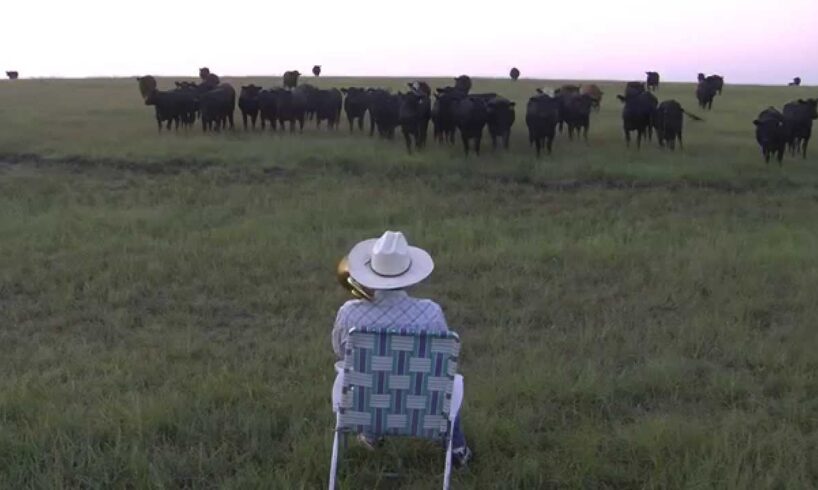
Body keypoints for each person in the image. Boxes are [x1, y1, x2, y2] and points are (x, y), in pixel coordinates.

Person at [332, 230, 472, 467]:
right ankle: (457, 447)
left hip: (363, 403)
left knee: (363, 375)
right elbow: (443, 361)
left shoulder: (348, 313)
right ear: (409, 274)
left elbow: (339, 350)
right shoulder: (430, 312)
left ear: (370, 271)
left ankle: (371, 432)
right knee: (451, 381)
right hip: (421, 405)